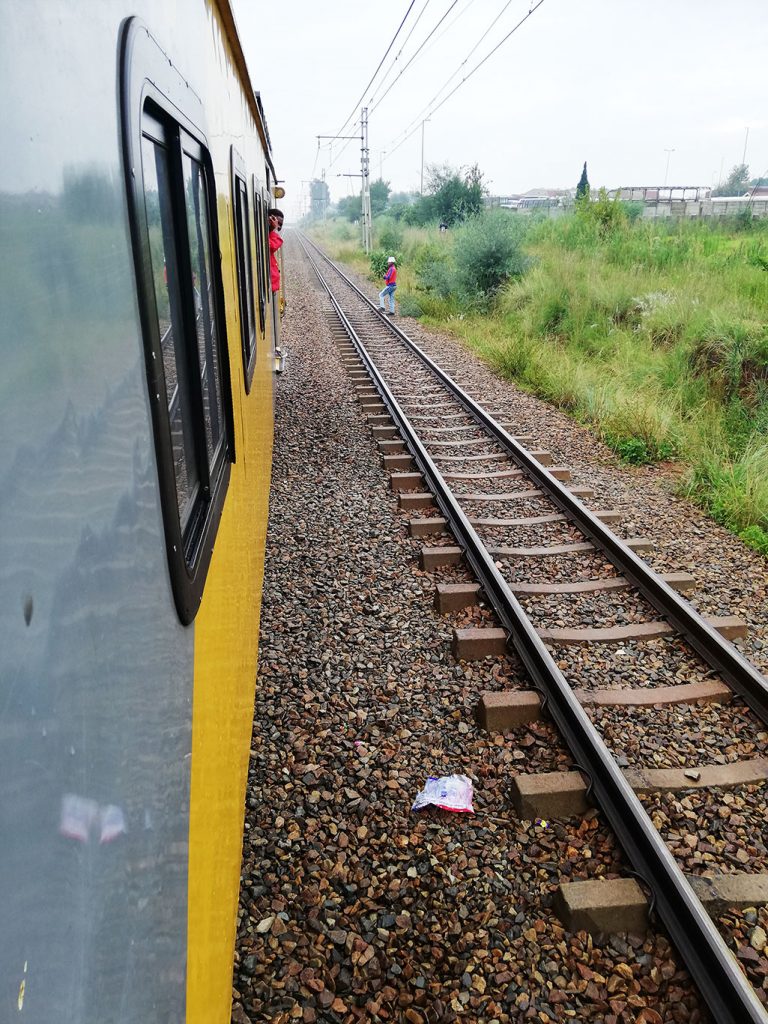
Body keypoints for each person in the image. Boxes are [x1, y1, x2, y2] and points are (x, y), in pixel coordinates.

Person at [268, 208, 284, 294]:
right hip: (269, 286)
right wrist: (273, 230)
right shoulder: (270, 236)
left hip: (271, 287)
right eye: (277, 223)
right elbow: (272, 246)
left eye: (280, 224)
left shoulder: (270, 236)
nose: (278, 226)